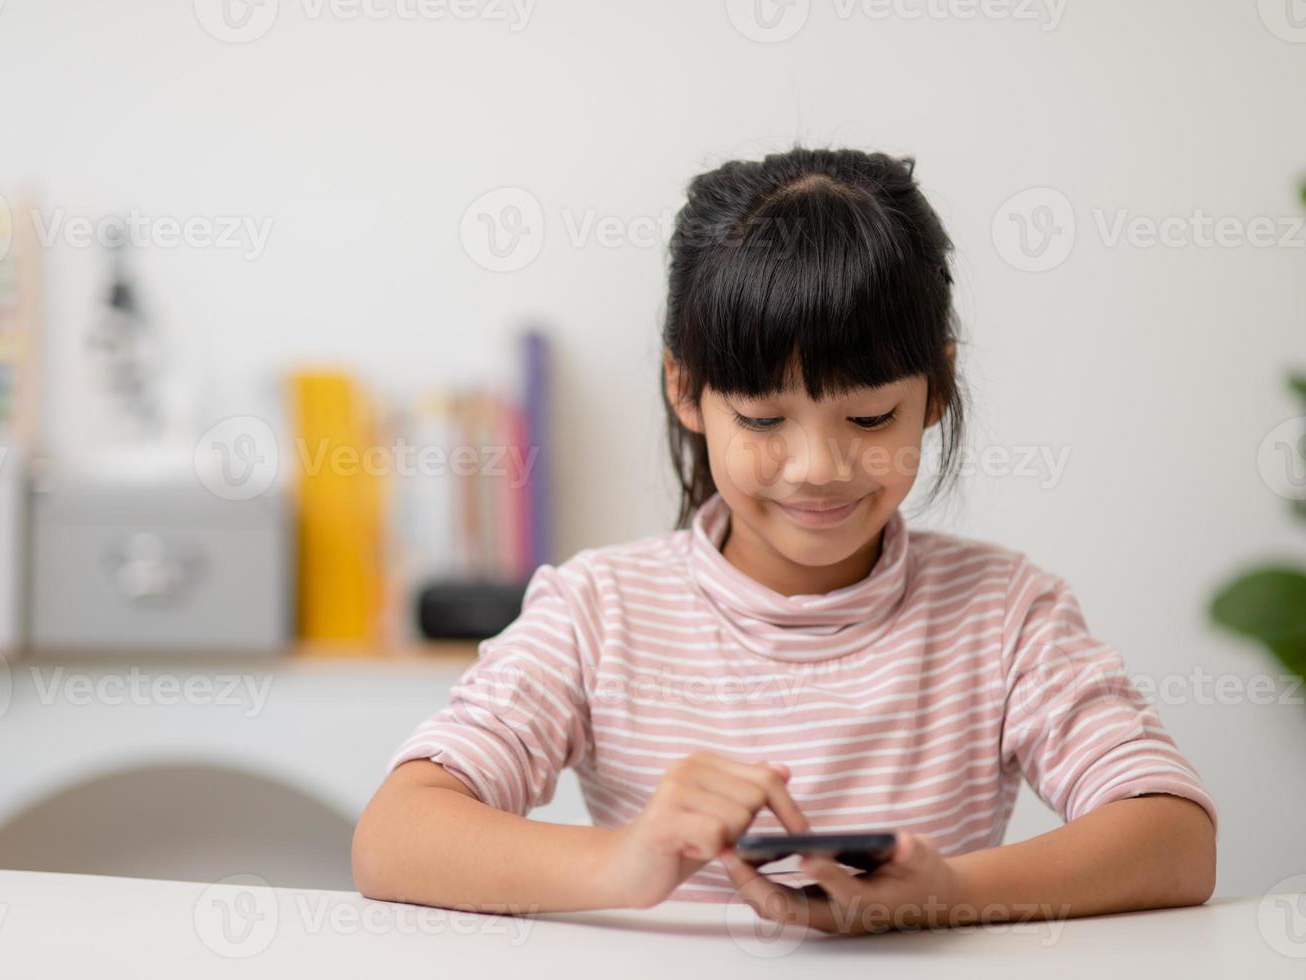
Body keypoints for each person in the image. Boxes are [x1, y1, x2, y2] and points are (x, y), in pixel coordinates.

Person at [351, 146, 1218, 935]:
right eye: (764, 419)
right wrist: (621, 863)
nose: (818, 466)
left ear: (938, 390)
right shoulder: (597, 612)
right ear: (686, 392)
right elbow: (394, 837)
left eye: (871, 416)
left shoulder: (1004, 614)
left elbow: (1175, 838)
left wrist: (950, 894)